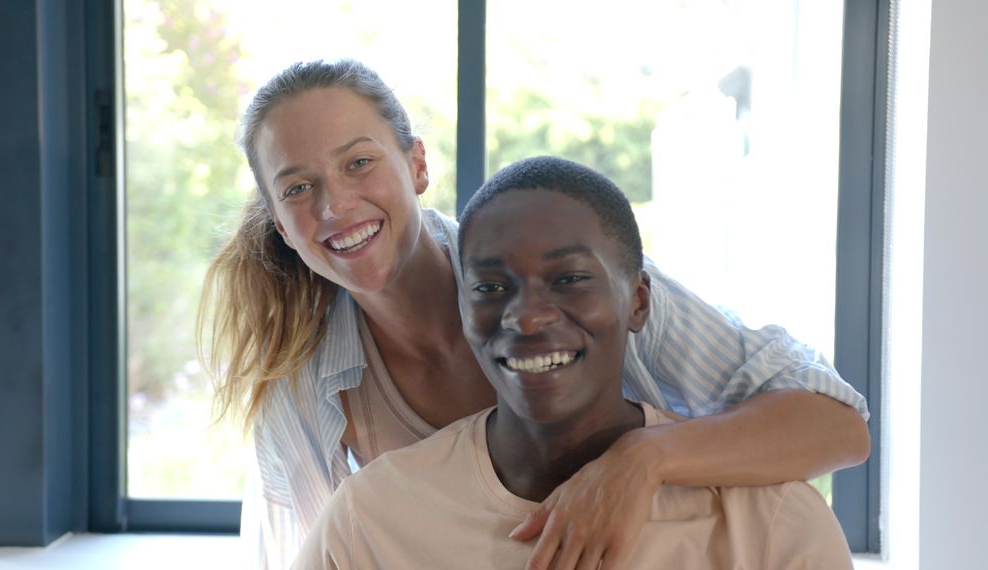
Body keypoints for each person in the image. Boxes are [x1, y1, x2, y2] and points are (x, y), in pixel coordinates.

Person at [199, 59, 869, 568]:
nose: (334, 206)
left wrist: (642, 461)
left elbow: (834, 425)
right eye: (298, 188)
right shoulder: (305, 392)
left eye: (360, 163)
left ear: (418, 164)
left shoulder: (584, 278)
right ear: (281, 225)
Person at [293, 155, 854, 569]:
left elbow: (842, 425)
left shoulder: (772, 525)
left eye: (570, 279)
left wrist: (645, 459)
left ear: (638, 301)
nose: (528, 316)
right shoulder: (370, 522)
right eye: (489, 286)